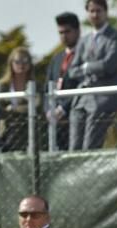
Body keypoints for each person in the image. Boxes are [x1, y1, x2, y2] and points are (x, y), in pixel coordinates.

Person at [65, 0, 117, 150]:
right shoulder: (84, 41)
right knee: (75, 147)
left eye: (98, 11)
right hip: (82, 98)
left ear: (106, 12)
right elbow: (72, 70)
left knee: (90, 146)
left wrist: (86, 67)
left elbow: (110, 65)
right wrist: (91, 68)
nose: (95, 15)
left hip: (104, 97)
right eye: (91, 11)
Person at [45, 12, 82, 150]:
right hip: (55, 119)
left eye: (67, 31)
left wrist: (63, 108)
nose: (64, 36)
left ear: (77, 31)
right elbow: (46, 87)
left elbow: (82, 85)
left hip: (73, 113)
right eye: (60, 32)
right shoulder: (56, 59)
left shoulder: (84, 55)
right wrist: (48, 110)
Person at [0, 47, 34, 152]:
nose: (21, 65)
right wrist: (22, 108)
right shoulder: (2, 86)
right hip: (6, 133)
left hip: (29, 132)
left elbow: (37, 106)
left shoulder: (35, 85)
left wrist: (13, 108)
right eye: (17, 61)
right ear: (11, 63)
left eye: (25, 61)